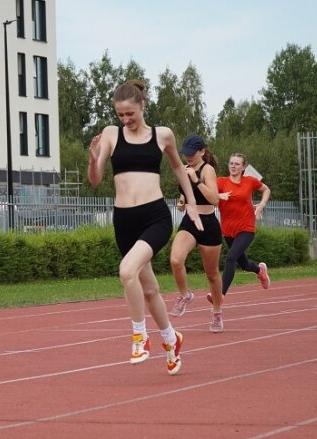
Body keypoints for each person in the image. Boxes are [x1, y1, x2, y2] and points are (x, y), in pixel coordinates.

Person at [88, 79, 202, 375]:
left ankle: (140, 337)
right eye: (121, 115)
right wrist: (92, 159)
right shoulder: (112, 134)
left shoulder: (162, 135)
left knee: (127, 272)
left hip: (154, 216)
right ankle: (171, 340)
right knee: (149, 289)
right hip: (124, 220)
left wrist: (191, 203)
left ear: (142, 106)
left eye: (130, 114)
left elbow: (178, 168)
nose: (126, 120)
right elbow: (96, 179)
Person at [168, 134, 225, 333]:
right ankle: (185, 295)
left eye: (192, 154)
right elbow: (187, 193)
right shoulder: (183, 169)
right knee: (176, 260)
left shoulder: (207, 169)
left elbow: (214, 199)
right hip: (190, 222)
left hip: (208, 223)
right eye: (186, 154)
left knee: (212, 274)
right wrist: (182, 201)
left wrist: (196, 179)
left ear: (202, 151)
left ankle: (217, 313)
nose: (188, 157)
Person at [211, 153, 272, 302]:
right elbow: (208, 194)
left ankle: (220, 294)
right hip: (228, 230)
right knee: (243, 264)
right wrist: (219, 196)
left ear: (243, 167)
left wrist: (262, 204)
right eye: (231, 163)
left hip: (246, 228)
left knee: (231, 258)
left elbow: (266, 189)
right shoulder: (221, 182)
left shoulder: (250, 181)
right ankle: (259, 270)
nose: (233, 166)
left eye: (237, 164)